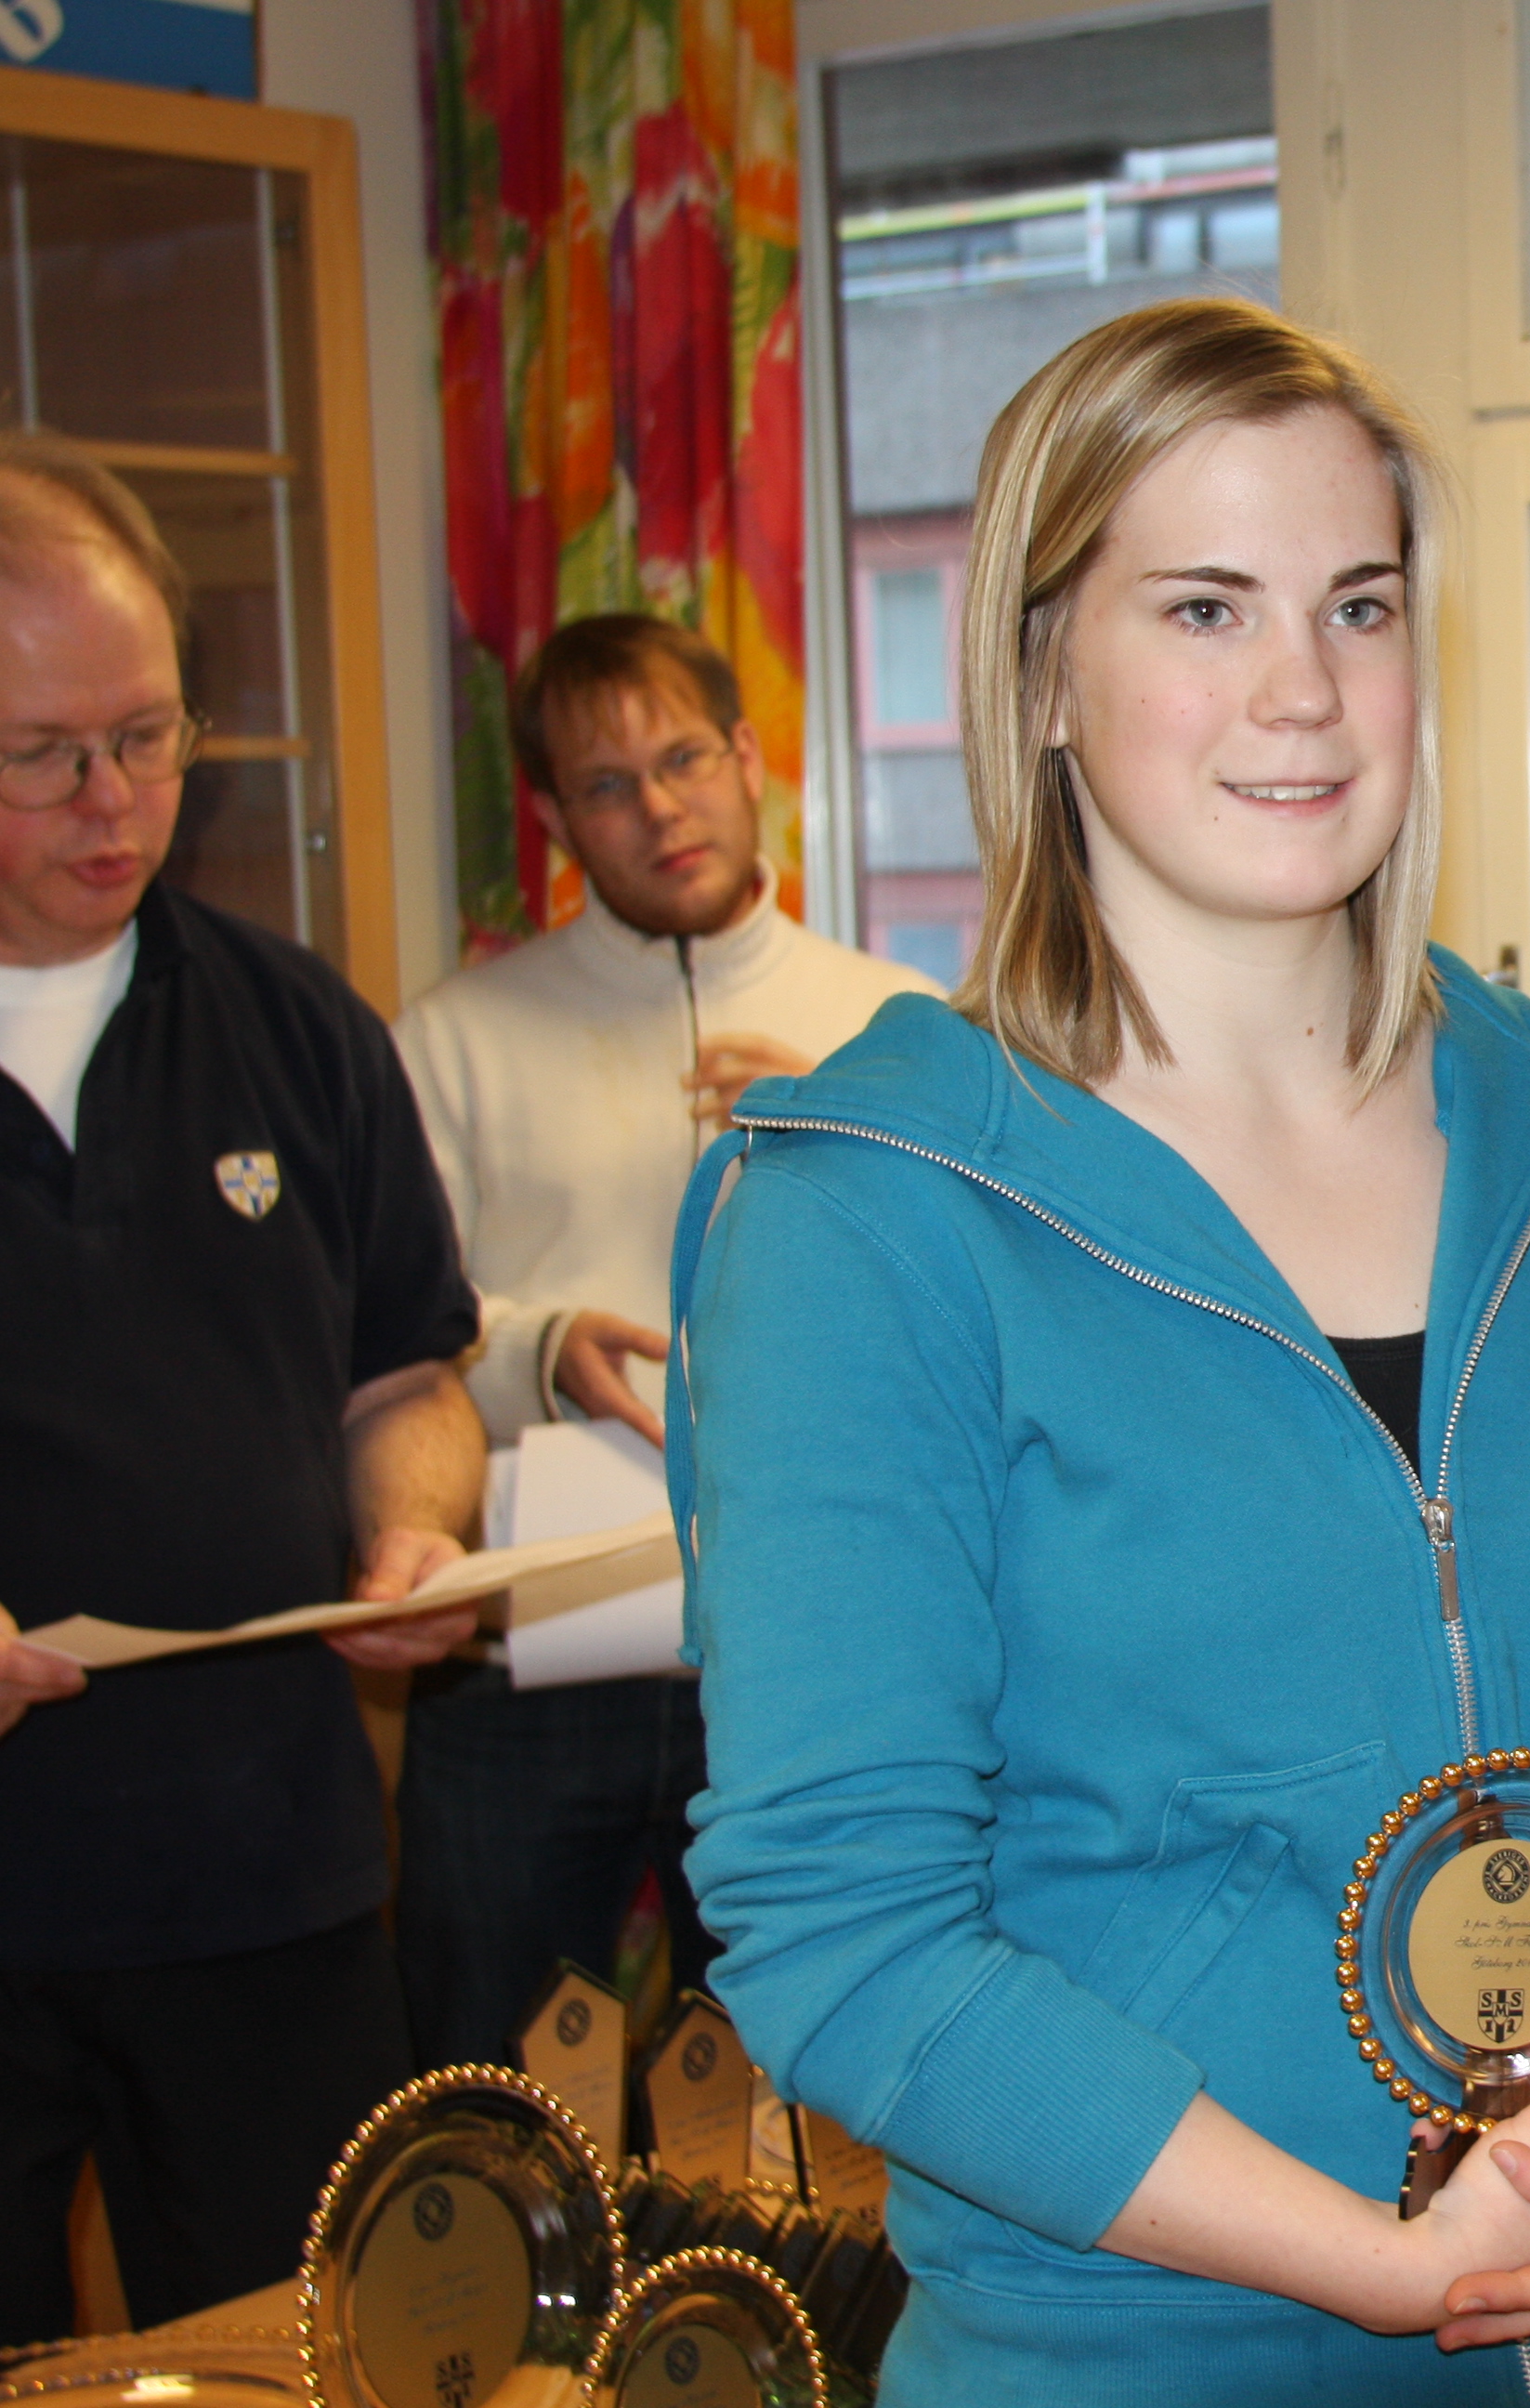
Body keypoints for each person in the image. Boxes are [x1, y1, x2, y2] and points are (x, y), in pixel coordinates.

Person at [669, 299, 1530, 2404]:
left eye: (1357, 607)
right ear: (1039, 677)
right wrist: (1381, 2265)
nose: (1303, 691)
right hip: (1158, 2360)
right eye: (1205, 608)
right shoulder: (860, 1211)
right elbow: (852, 1939)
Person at [0, 432, 484, 2338]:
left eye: (149, 734)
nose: (113, 800)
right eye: (39, 752)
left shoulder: (300, 1026)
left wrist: (415, 1531)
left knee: (300, 2361)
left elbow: (402, 1370)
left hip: (266, 1888)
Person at [389, 615, 935, 2068]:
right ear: (555, 819)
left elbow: (987, 1300)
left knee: (805, 2084)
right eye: (608, 786)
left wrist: (867, 1117)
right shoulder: (452, 1039)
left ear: (752, 757)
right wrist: (537, 1345)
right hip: (527, 1663)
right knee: (480, 2070)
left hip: (807, 1653)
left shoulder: (898, 1021)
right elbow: (388, 1329)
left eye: (684, 759)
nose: (660, 810)